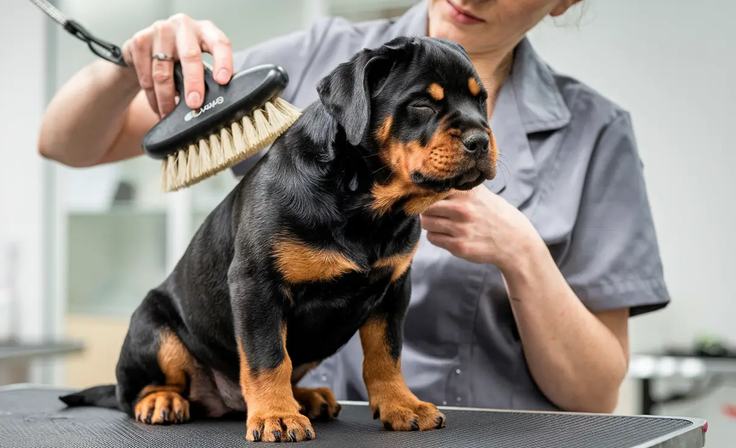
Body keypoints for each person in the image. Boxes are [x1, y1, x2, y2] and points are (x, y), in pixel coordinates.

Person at [38, 0, 670, 413]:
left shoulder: (598, 133)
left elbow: (596, 395)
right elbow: (65, 143)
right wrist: (130, 63)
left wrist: (524, 256)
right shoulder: (327, 60)